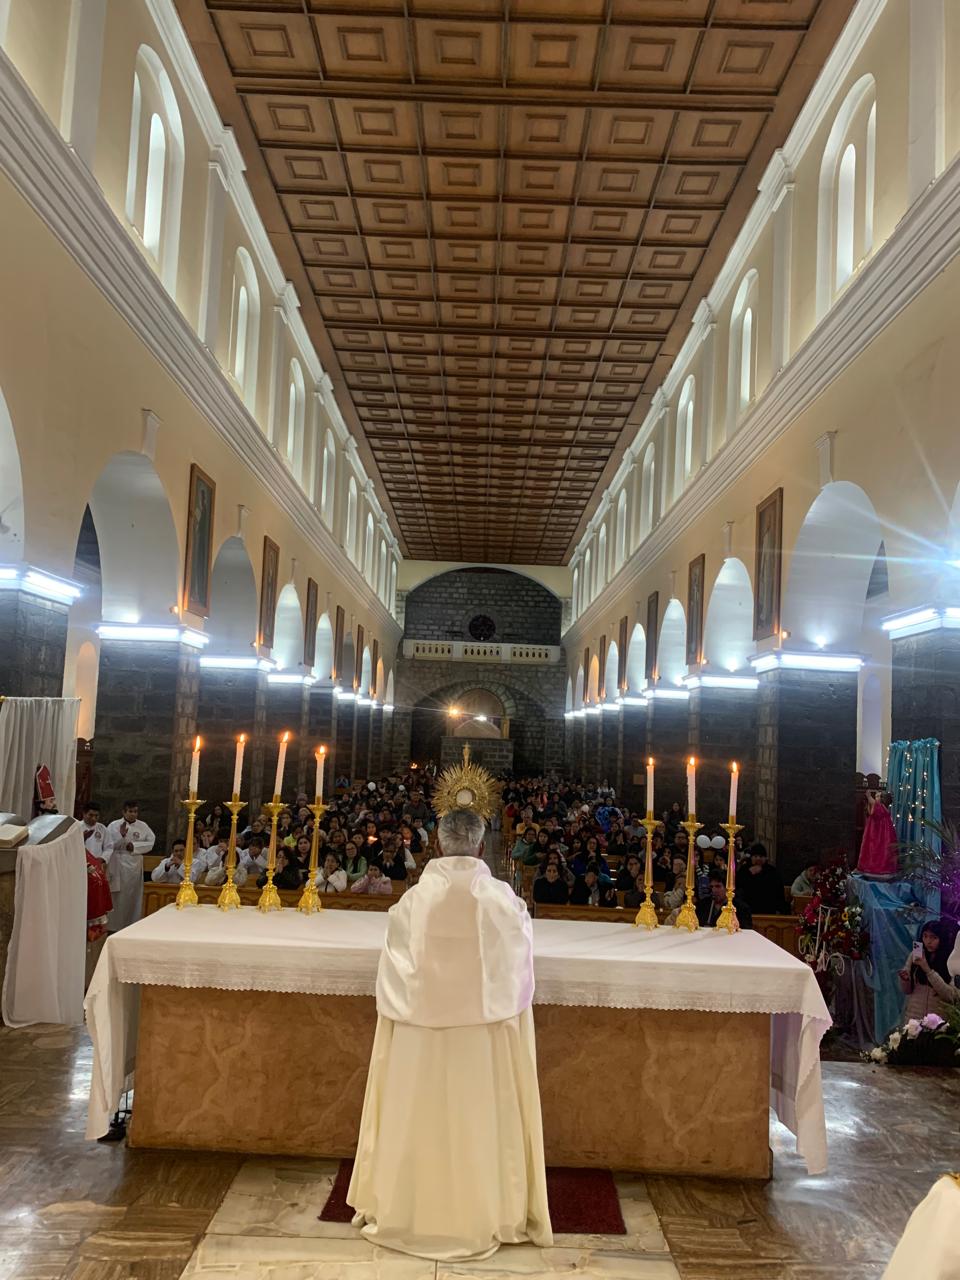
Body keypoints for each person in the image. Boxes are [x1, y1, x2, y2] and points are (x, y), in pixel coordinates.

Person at [348, 808, 552, 1260]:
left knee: (418, 1112)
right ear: (481, 847)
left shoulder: (412, 903)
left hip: (419, 1038)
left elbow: (396, 974)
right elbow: (517, 969)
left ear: (438, 845)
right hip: (482, 1041)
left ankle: (408, 1208)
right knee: (477, 1118)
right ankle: (488, 1209)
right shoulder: (504, 901)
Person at [103, 801, 156, 931]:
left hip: (134, 863)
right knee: (116, 896)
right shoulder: (114, 825)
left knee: (133, 896)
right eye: (130, 811)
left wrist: (135, 846)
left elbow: (151, 842)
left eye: (135, 811)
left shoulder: (143, 826)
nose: (133, 814)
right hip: (117, 862)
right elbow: (108, 844)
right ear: (124, 812)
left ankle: (131, 926)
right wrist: (121, 837)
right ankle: (112, 927)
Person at [899, 919, 959, 1020]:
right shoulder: (916, 954)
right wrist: (905, 979)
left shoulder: (951, 960)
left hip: (938, 1023)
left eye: (933, 937)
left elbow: (951, 997)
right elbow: (907, 991)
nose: (928, 941)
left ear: (942, 939)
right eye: (925, 936)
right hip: (913, 1019)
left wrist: (928, 970)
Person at [735, 842, 787, 915]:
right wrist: (749, 874)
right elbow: (738, 887)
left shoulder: (772, 872)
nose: (758, 859)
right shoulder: (744, 870)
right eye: (755, 856)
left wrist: (779, 909)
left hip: (768, 910)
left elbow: (779, 892)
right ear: (751, 857)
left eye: (761, 856)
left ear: (765, 858)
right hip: (747, 910)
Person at [857, 790, 899, 877]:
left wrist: (869, 796)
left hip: (880, 836)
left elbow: (874, 804)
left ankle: (879, 870)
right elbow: (871, 811)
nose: (876, 798)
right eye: (875, 796)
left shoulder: (881, 807)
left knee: (878, 850)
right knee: (876, 850)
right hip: (877, 834)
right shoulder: (880, 808)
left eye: (878, 796)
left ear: (883, 799)